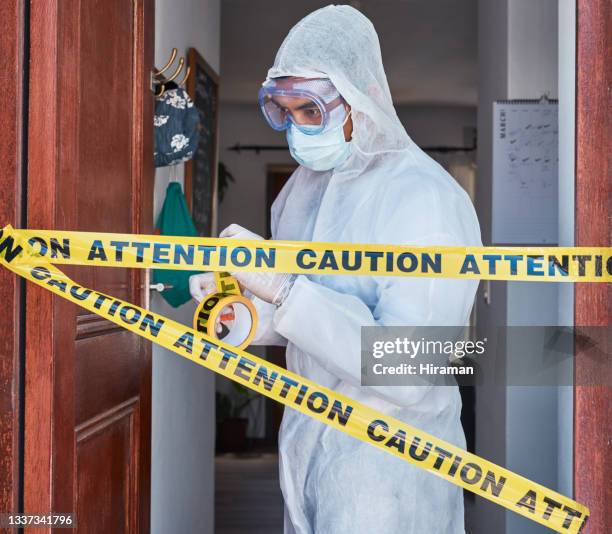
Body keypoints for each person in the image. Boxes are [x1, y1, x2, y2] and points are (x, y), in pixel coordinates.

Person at [190, 5, 482, 533]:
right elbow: (302, 317)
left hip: (390, 463)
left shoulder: (425, 198)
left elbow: (409, 369)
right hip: (306, 440)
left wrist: (283, 290)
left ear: (359, 98)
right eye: (283, 112)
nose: (297, 129)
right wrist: (246, 313)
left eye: (310, 111)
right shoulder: (300, 192)